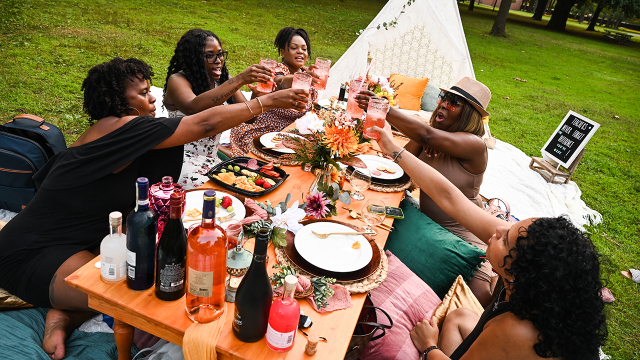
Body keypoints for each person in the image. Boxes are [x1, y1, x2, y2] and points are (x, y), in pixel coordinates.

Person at [0, 57, 307, 360]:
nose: (153, 96)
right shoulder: (123, 128)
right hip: (28, 253)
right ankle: (64, 313)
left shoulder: (113, 131)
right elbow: (205, 122)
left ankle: (67, 313)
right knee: (149, 287)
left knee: (151, 268)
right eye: (143, 92)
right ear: (119, 102)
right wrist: (266, 102)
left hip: (81, 240)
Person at [367, 123, 607, 360]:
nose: (499, 227)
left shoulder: (515, 331)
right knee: (460, 316)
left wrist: (429, 346)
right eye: (512, 226)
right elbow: (449, 197)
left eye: (506, 239)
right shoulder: (532, 282)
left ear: (517, 273)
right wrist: (393, 149)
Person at [356, 77, 495, 306]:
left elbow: (425, 136)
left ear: (468, 114)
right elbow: (401, 167)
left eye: (453, 103)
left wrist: (384, 109)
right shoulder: (432, 136)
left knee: (479, 301)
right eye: (443, 98)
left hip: (467, 238)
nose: (442, 104)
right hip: (428, 226)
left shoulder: (474, 145)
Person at [164, 29, 275, 189]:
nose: (218, 60)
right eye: (210, 55)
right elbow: (193, 107)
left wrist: (256, 96)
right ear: (193, 58)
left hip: (211, 159)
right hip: (182, 160)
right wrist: (240, 79)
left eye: (221, 54)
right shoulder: (177, 80)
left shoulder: (224, 81)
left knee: (251, 185)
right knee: (221, 194)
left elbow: (249, 118)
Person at [229, 27, 319, 156]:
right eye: (294, 48)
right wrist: (300, 78)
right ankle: (226, 151)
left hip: (291, 134)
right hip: (263, 130)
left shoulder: (307, 73)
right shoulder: (276, 70)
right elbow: (280, 82)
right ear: (282, 52)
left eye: (304, 49)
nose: (300, 52)